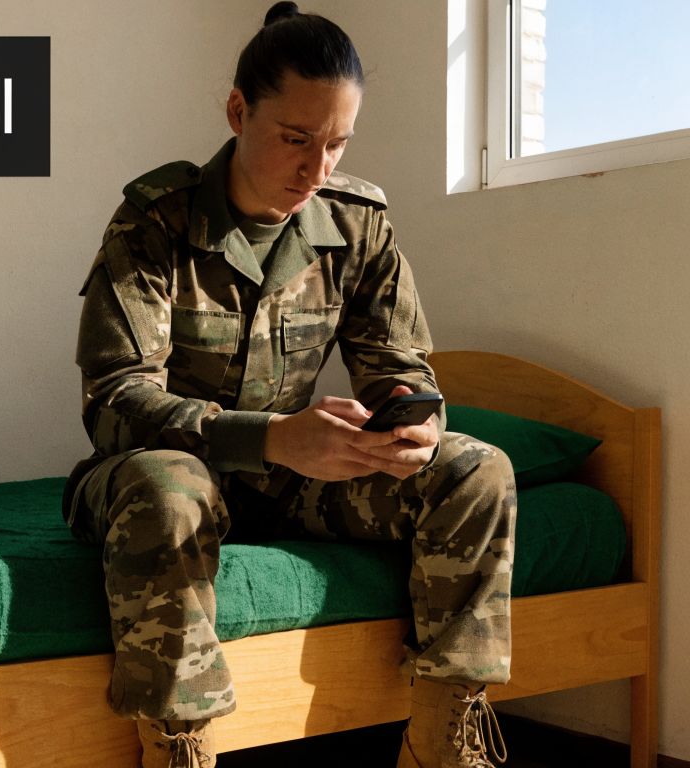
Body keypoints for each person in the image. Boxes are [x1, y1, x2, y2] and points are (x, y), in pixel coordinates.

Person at [62, 3, 517, 767]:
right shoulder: (154, 225)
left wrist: (412, 426)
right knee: (170, 485)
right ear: (239, 111)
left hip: (294, 483)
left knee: (480, 470)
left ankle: (443, 739)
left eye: (337, 143)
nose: (317, 169)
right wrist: (272, 437)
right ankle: (179, 746)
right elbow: (116, 404)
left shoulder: (356, 221)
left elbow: (398, 363)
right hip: (167, 473)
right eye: (296, 139)